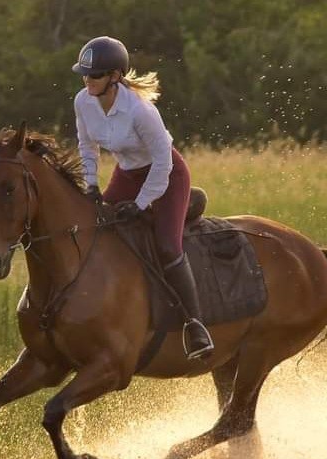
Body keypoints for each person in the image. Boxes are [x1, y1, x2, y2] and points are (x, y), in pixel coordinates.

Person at [72, 35, 214, 360]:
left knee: (167, 245)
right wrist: (91, 185)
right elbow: (86, 145)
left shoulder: (140, 111)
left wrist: (139, 205)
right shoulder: (82, 101)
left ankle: (196, 325)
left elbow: (163, 163)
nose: (87, 80)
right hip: (128, 173)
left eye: (94, 75)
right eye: (85, 74)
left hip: (167, 174)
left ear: (115, 77)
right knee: (100, 228)